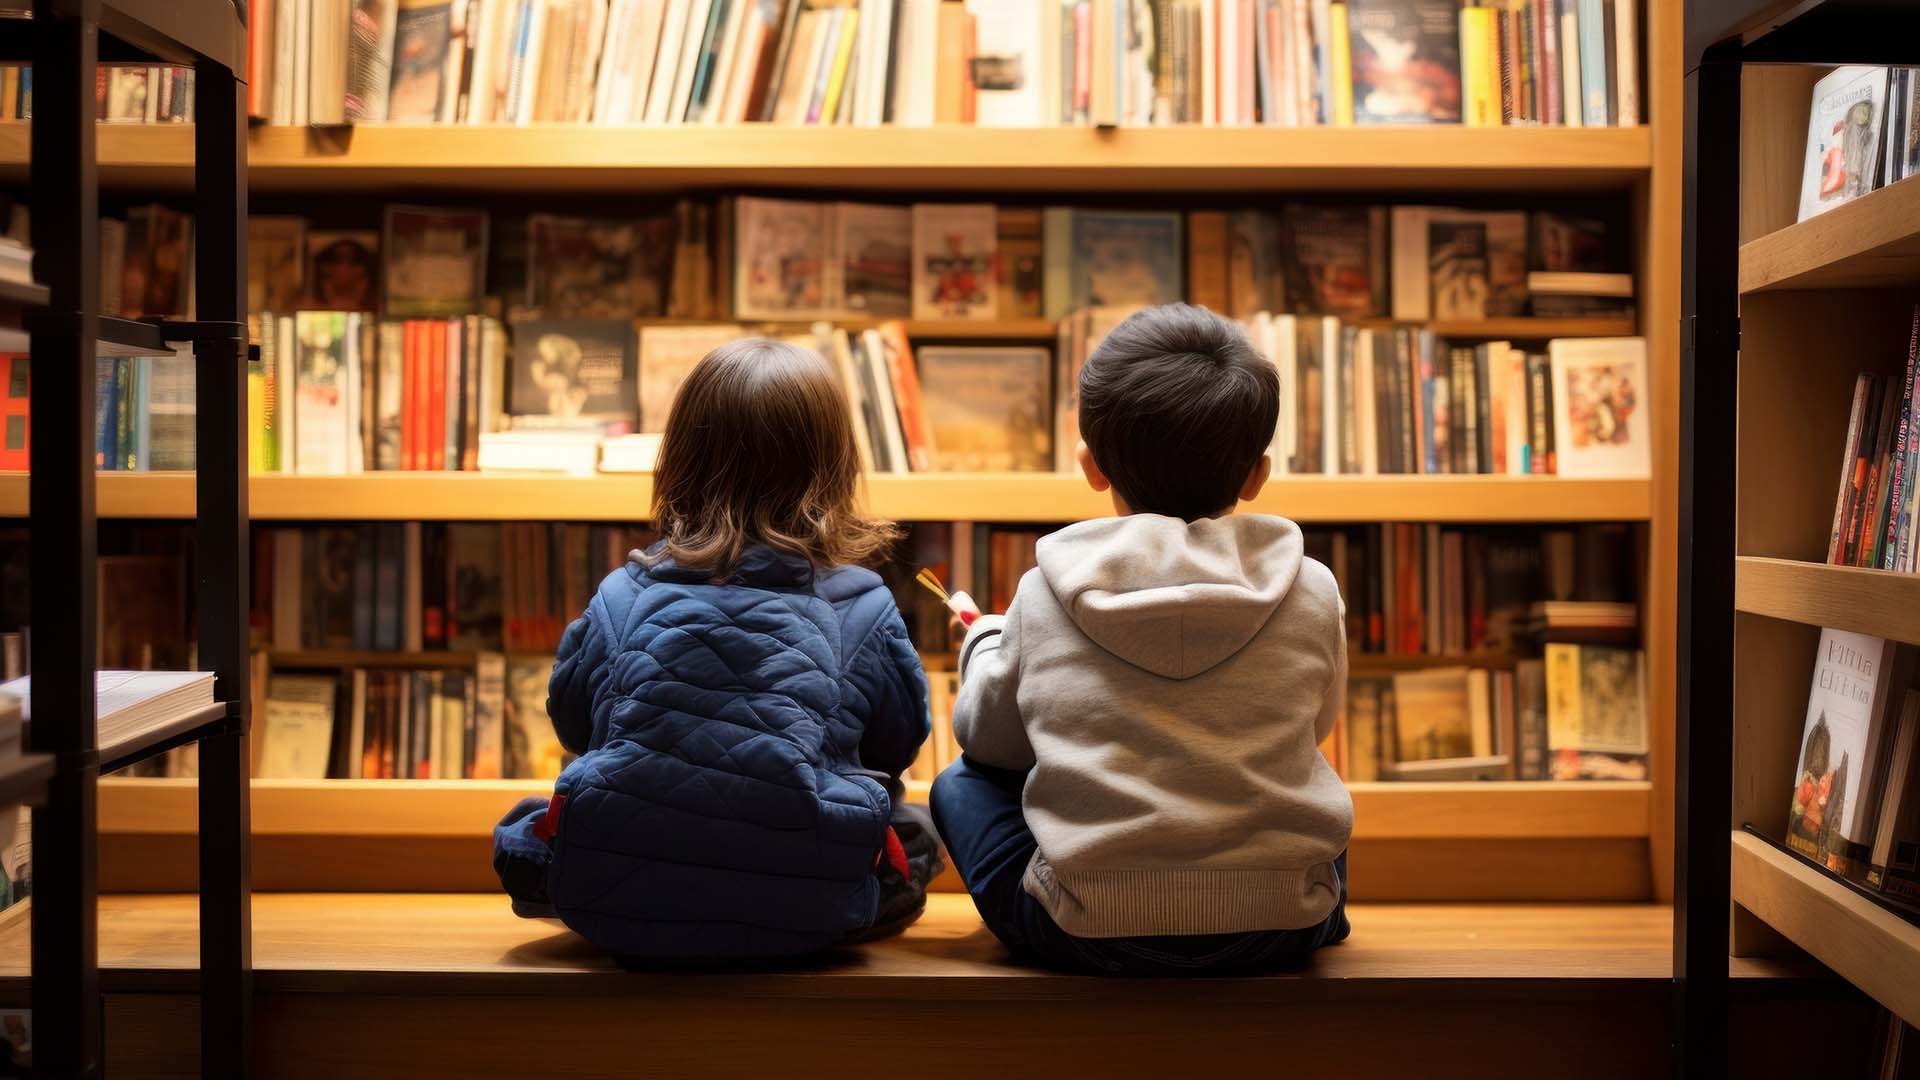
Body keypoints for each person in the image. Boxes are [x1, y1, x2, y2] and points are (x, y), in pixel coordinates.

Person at [930, 303, 1353, 975]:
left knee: (959, 783)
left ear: (1091, 464)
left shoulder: (1044, 595)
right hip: (1286, 922)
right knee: (1304, 773)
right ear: (1256, 476)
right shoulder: (1314, 589)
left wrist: (986, 646)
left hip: (1084, 929)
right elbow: (1318, 725)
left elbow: (991, 742)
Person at [492, 339, 941, 961]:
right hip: (811, 908)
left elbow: (572, 723)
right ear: (834, 469)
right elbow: (897, 745)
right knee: (917, 832)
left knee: (533, 821)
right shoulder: (862, 604)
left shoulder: (622, 594)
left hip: (617, 903)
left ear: (679, 460)